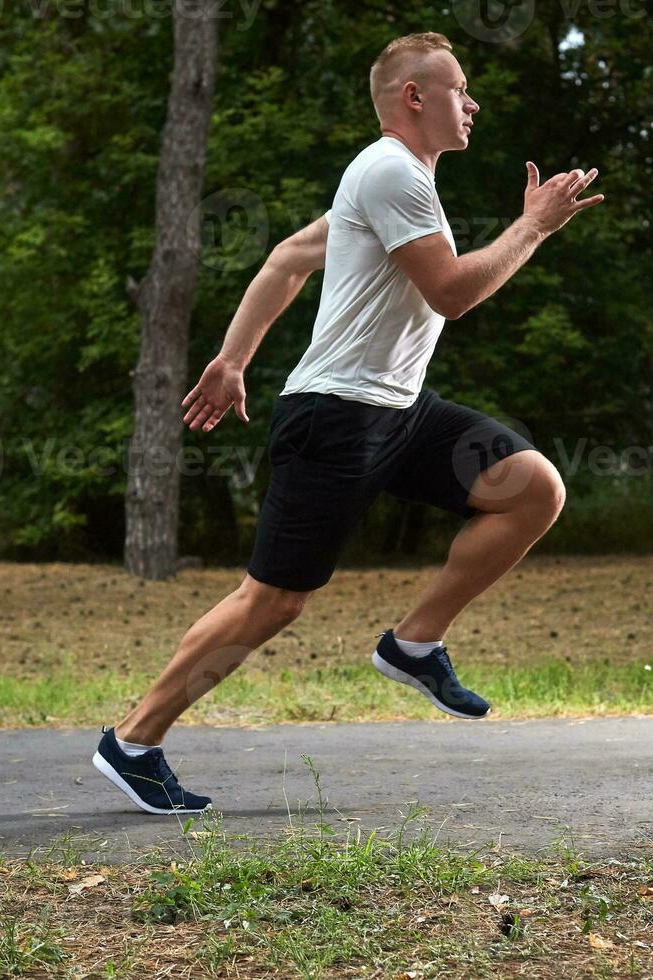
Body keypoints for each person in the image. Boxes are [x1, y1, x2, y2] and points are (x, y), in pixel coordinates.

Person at [92, 31, 603, 814]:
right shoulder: (391, 171)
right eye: (459, 89)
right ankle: (133, 740)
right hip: (335, 419)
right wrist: (532, 225)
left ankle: (414, 644)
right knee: (273, 601)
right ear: (414, 97)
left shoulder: (389, 185)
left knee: (530, 487)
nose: (473, 104)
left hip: (398, 412)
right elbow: (452, 294)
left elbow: (288, 258)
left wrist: (232, 361)